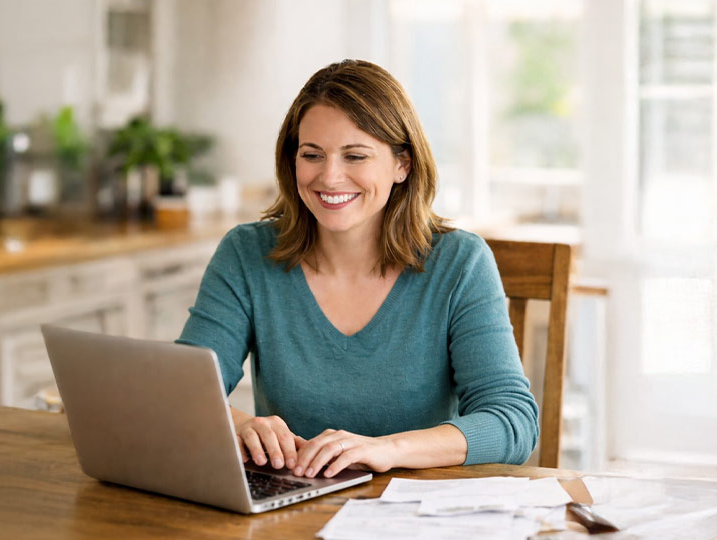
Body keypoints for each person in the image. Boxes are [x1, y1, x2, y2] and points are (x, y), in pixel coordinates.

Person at [176, 59, 537, 480]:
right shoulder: (246, 253)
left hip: (415, 513)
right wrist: (240, 426)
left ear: (402, 164)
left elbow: (512, 422)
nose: (330, 177)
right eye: (312, 154)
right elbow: (179, 391)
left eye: (355, 155)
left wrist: (387, 449)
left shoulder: (460, 263)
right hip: (289, 512)